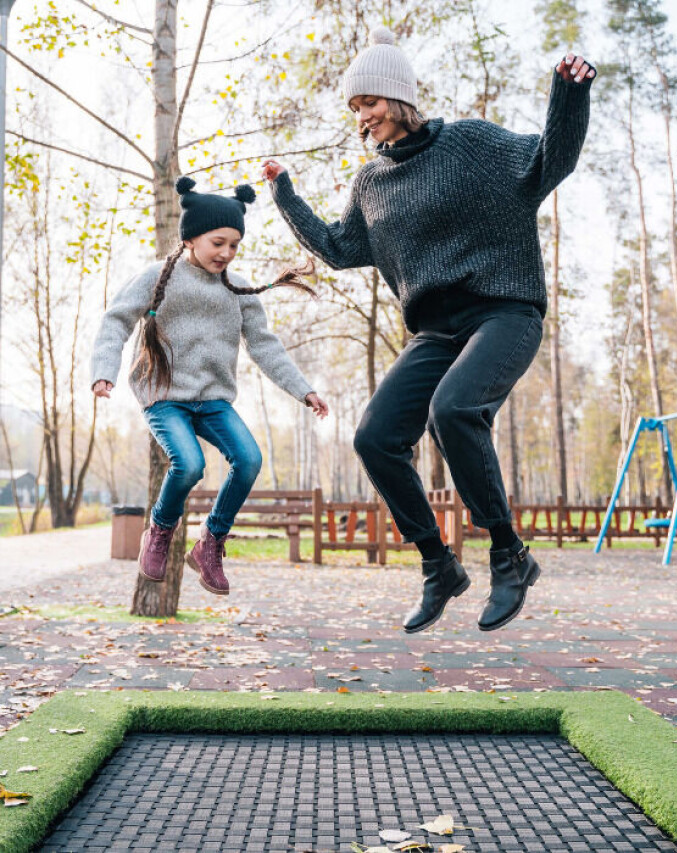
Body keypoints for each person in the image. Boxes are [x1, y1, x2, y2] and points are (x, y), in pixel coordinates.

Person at [261, 26, 595, 635]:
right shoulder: (371, 184)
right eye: (355, 109)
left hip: (503, 312)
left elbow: (551, 159)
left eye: (370, 103)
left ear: (400, 96)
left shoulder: (471, 144)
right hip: (434, 334)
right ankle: (439, 567)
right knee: (375, 438)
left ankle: (509, 556)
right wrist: (285, 193)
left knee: (454, 411)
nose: (363, 118)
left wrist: (568, 94)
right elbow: (338, 249)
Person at [90, 177, 329, 595]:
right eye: (218, 242)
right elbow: (116, 320)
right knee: (190, 463)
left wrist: (304, 390)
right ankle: (160, 531)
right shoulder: (156, 277)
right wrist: (103, 370)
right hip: (164, 398)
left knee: (249, 460)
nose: (226, 253)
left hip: (214, 400)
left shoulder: (238, 290)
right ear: (191, 239)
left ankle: (210, 542)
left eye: (234, 245)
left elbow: (265, 346)